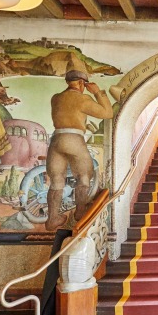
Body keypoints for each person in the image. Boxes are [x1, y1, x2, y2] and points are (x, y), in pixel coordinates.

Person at [45, 63, 112, 231]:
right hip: (74, 139)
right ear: (83, 83)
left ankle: (52, 219)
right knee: (83, 176)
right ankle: (80, 212)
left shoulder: (56, 98)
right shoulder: (83, 99)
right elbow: (108, 113)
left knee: (56, 180)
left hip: (56, 140)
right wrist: (97, 92)